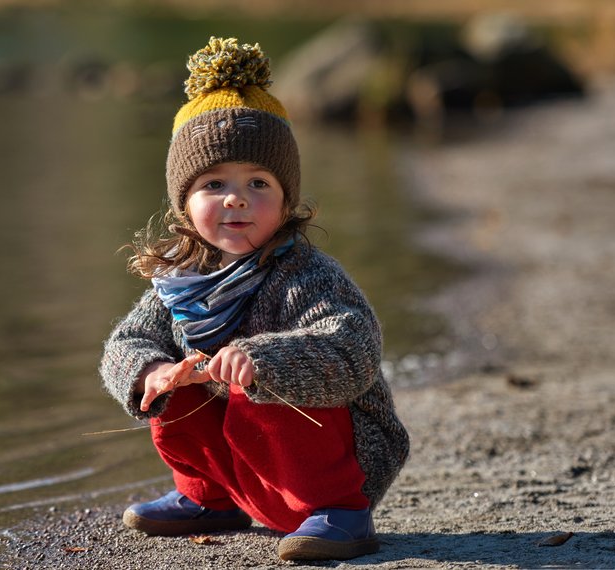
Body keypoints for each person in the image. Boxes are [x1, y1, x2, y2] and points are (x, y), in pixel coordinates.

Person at [99, 36, 409, 562]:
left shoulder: (304, 274)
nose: (236, 198)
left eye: (259, 183)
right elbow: (124, 342)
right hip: (245, 466)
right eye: (214, 183)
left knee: (254, 379)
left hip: (335, 465)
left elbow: (353, 348)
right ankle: (210, 497)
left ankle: (342, 513)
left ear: (287, 201)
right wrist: (149, 370)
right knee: (174, 378)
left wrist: (263, 360)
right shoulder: (183, 281)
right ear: (184, 204)